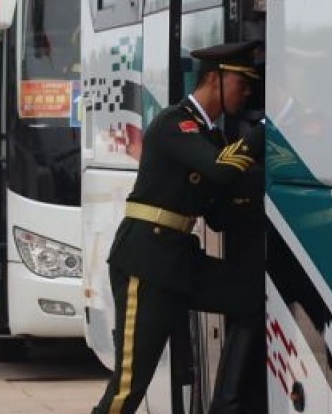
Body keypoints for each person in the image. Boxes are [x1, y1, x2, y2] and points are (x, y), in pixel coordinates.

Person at [91, 40, 266, 414]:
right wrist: (265, 130)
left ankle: (226, 405)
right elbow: (221, 169)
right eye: (242, 82)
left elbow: (219, 214)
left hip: (179, 262)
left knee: (251, 298)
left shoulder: (212, 138)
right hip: (146, 262)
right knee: (129, 385)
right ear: (215, 79)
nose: (247, 92)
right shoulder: (174, 123)